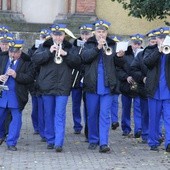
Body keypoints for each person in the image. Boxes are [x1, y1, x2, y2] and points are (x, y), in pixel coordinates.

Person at [32, 23, 81, 152]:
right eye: (55, 34)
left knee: (60, 114)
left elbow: (78, 62)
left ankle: (59, 143)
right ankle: (50, 140)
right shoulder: (45, 46)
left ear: (64, 35)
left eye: (60, 35)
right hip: (47, 86)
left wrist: (66, 54)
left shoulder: (70, 47)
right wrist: (49, 52)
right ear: (52, 35)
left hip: (63, 87)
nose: (58, 37)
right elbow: (35, 59)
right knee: (49, 114)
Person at [81, 19, 118, 153]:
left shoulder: (113, 45)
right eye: (99, 31)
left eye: (103, 32)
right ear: (94, 32)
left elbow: (119, 65)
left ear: (107, 33)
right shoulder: (89, 45)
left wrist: (120, 57)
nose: (101, 34)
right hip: (92, 84)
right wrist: (98, 47)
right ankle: (93, 139)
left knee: (104, 115)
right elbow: (85, 58)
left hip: (107, 86)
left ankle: (103, 142)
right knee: (92, 114)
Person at [0, 40, 34, 151]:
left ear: (20, 51)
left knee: (16, 119)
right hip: (2, 93)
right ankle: (1, 136)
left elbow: (29, 78)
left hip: (16, 95)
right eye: (10, 52)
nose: (12, 54)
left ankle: (11, 142)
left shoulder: (27, 61)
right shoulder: (3, 57)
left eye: (15, 52)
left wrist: (16, 75)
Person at [143, 27, 170, 151]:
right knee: (153, 118)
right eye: (160, 38)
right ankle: (153, 142)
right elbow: (147, 63)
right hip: (154, 90)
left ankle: (168, 143)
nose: (163, 40)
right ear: (157, 39)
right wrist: (158, 51)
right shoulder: (150, 50)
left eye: (165, 38)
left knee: (168, 118)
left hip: (167, 91)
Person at [130, 29, 157, 143]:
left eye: (156, 40)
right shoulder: (141, 55)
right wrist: (142, 78)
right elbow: (133, 69)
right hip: (144, 89)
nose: (154, 42)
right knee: (145, 113)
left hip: (160, 89)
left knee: (159, 114)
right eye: (151, 40)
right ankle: (146, 134)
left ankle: (157, 135)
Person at [115, 34, 143, 138]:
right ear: (131, 44)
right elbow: (118, 69)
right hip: (127, 84)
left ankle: (138, 129)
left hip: (138, 85)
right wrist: (126, 77)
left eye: (138, 44)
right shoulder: (125, 54)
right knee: (126, 108)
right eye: (134, 44)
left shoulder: (143, 54)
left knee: (138, 108)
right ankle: (126, 128)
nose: (136, 46)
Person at [28, 28, 51, 141]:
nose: (44, 40)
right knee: (36, 108)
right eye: (42, 38)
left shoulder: (50, 49)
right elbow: (32, 65)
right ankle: (37, 127)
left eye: (46, 38)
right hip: (35, 83)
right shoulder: (33, 50)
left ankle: (44, 131)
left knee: (45, 109)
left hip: (46, 83)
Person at [71, 24, 93, 137]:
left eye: (87, 34)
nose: (85, 36)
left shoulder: (93, 44)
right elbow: (73, 59)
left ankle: (88, 128)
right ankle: (77, 125)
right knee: (75, 104)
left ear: (92, 34)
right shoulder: (74, 45)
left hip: (88, 78)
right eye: (83, 34)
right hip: (76, 79)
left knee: (88, 105)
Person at [110, 35, 122, 130]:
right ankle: (110, 120)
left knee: (114, 101)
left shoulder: (120, 54)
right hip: (108, 81)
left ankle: (114, 121)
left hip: (117, 81)